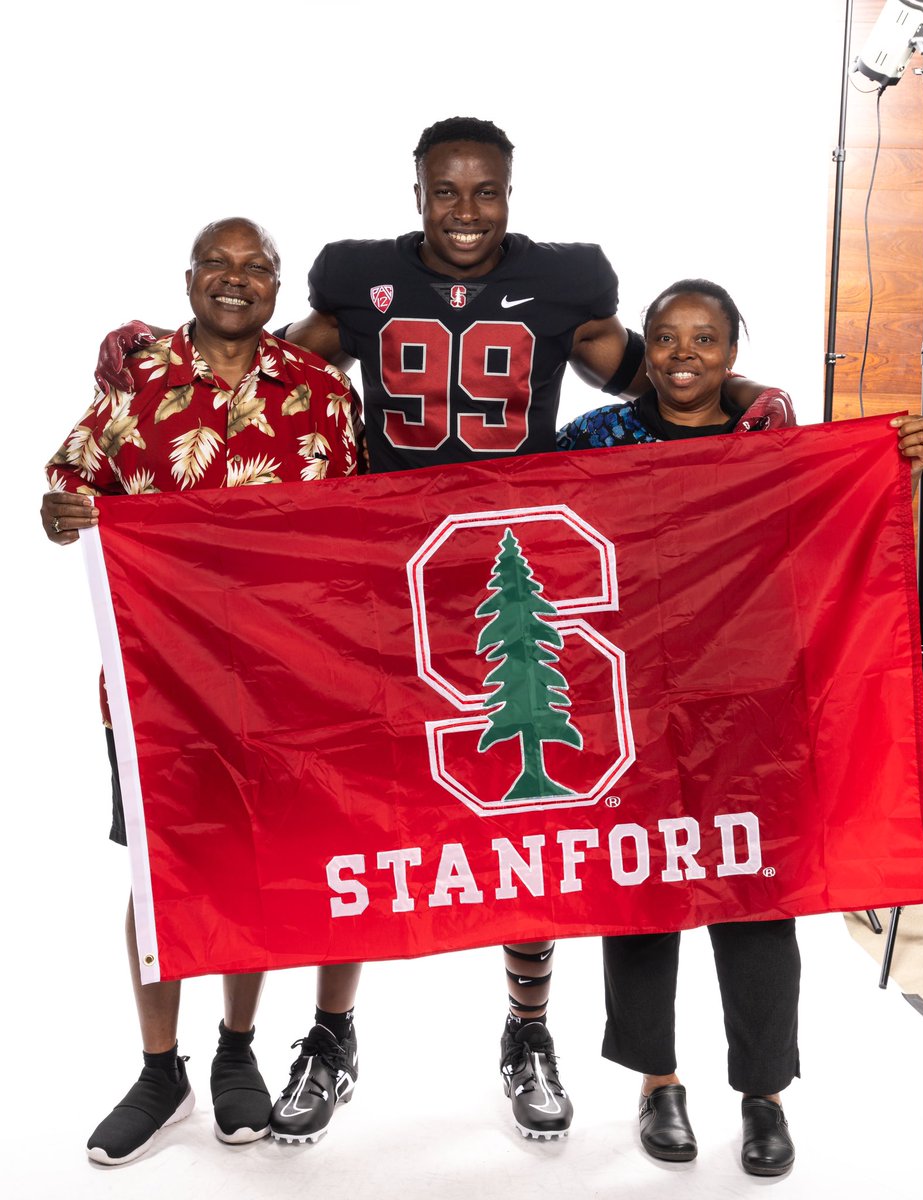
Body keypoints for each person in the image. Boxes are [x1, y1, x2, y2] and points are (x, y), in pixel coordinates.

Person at [93, 117, 772, 1145]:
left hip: (511, 576)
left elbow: (644, 373)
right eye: (446, 191)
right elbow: (266, 361)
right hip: (383, 584)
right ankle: (332, 1035)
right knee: (355, 806)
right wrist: (161, 348)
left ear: (511, 191)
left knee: (532, 810)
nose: (466, 211)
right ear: (415, 192)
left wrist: (748, 392)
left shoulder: (568, 281)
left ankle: (526, 1029)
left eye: (486, 191)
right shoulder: (356, 277)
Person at [557, 278, 923, 1177]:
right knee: (644, 896)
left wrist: (891, 461)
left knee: (756, 898)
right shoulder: (593, 440)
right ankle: (659, 1082)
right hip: (633, 705)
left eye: (704, 338)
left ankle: (762, 1094)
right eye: (665, 337)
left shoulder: (771, 434)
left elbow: (825, 520)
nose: (683, 354)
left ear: (734, 350)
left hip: (747, 702)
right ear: (642, 351)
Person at [42, 217, 359, 1165]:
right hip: (157, 684)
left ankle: (236, 1052)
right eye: (218, 265)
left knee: (255, 866)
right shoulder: (134, 382)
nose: (236, 279)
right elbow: (68, 485)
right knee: (156, 874)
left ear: (276, 287)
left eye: (256, 268)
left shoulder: (321, 395)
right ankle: (157, 1069)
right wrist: (63, 511)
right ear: (189, 279)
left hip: (282, 684)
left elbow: (355, 529)